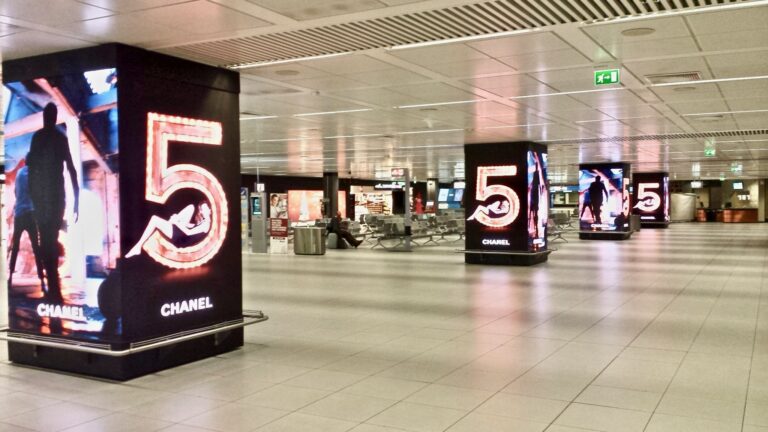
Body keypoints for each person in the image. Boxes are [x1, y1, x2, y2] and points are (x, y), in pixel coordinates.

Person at [27, 102, 79, 302]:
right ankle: (53, 287)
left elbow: (32, 169)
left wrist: (33, 195)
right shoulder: (58, 138)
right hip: (53, 196)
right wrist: (76, 203)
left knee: (47, 240)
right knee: (49, 239)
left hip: (46, 197)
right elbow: (72, 170)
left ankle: (53, 287)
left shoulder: (40, 138)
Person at [8, 162, 46, 291]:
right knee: (36, 246)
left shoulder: (19, 173)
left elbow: (15, 192)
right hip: (29, 213)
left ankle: (9, 278)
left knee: (15, 247)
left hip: (19, 214)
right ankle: (42, 281)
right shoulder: (34, 174)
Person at [126, 202, 211, 257]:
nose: (204, 211)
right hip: (182, 234)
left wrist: (177, 221)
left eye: (206, 208)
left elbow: (189, 233)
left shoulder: (206, 224)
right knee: (191, 207)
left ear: (210, 210)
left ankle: (137, 247)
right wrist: (180, 221)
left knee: (154, 219)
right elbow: (192, 228)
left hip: (181, 239)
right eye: (202, 209)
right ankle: (170, 222)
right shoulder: (204, 222)